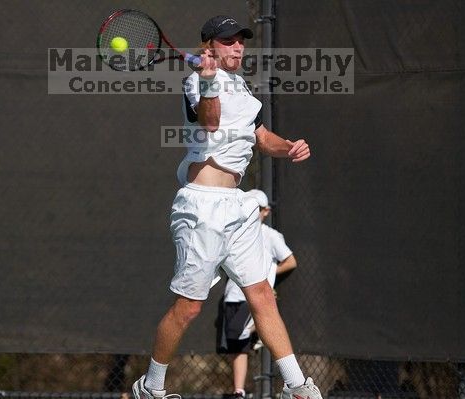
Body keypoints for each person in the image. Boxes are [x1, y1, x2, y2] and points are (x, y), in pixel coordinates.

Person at [132, 15, 322, 399]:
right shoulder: (194, 82)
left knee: (262, 295)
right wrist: (206, 80)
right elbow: (211, 124)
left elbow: (262, 137)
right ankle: (151, 387)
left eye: (241, 40)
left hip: (238, 206)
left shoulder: (244, 90)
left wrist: (290, 148)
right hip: (202, 208)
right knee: (188, 308)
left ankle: (298, 387)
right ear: (209, 47)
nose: (237, 46)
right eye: (228, 40)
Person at [216, 189, 298, 399]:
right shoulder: (233, 233)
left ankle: (295, 385)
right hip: (232, 296)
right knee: (237, 345)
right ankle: (239, 391)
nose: (251, 212)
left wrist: (268, 275)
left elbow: (290, 261)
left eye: (257, 208)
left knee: (246, 335)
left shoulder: (270, 236)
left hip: (253, 298)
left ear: (265, 211)